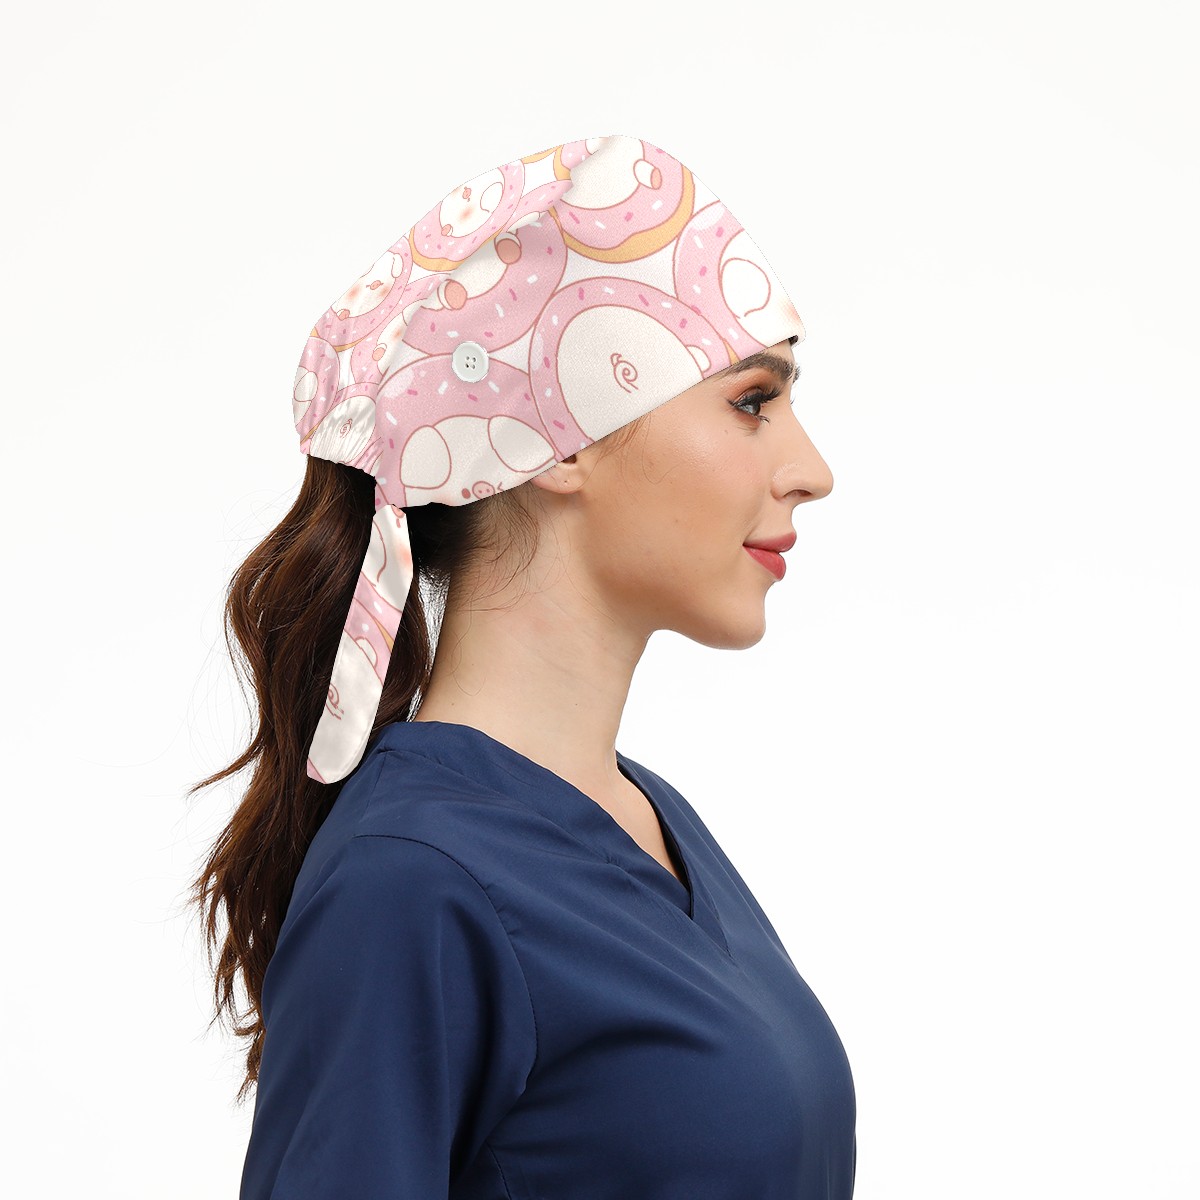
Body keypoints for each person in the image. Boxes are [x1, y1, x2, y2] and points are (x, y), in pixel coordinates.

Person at [189, 133, 857, 1198]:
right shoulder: (412, 880)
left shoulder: (648, 820)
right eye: (751, 402)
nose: (810, 469)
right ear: (563, 439)